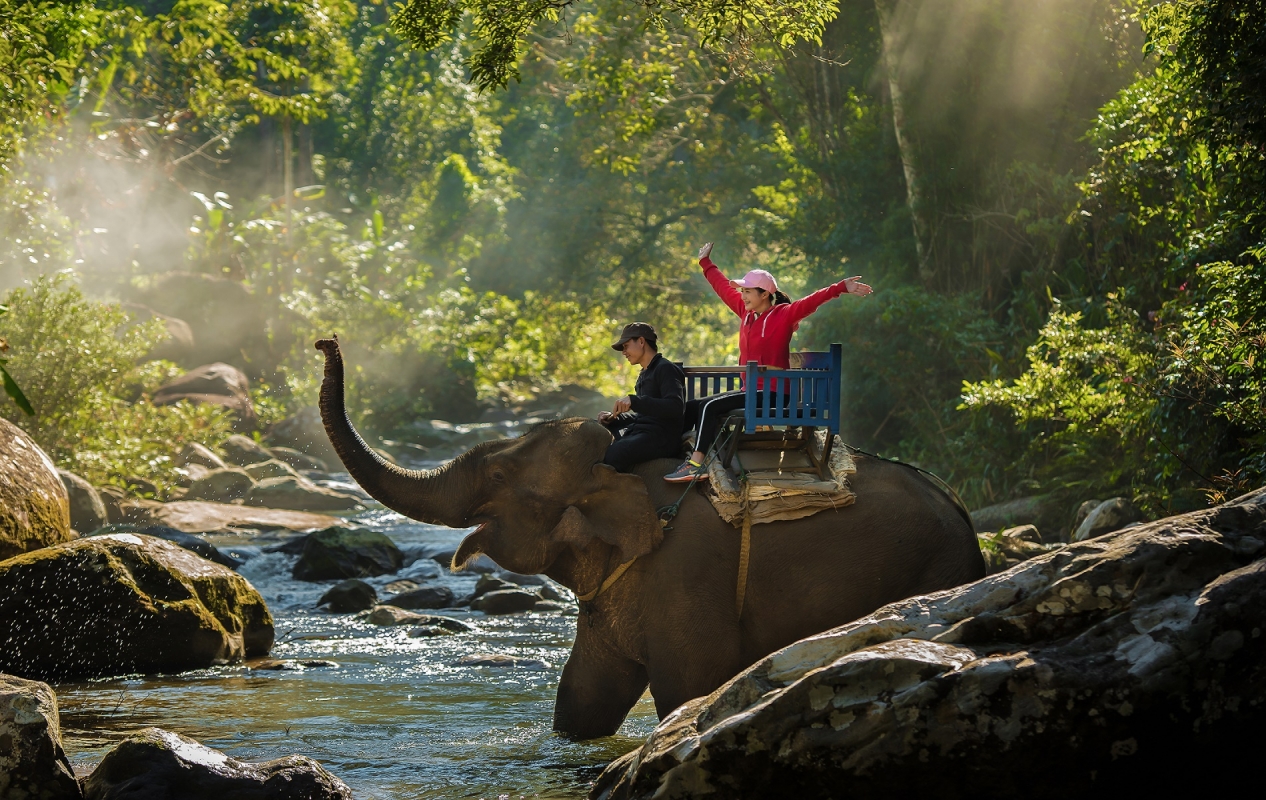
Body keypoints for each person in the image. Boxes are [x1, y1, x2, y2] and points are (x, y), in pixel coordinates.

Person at [664, 242, 873, 483]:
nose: (743, 296)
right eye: (742, 292)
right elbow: (722, 287)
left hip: (774, 394)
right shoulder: (746, 313)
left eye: (748, 291)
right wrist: (705, 263)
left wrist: (841, 287)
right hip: (750, 392)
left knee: (710, 408)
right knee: (692, 406)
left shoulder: (784, 315)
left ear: (765, 294)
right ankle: (672, 452)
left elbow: (812, 301)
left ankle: (695, 465)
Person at [600, 322, 687, 472]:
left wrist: (635, 401)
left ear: (641, 341)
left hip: (661, 437)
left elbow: (676, 406)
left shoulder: (665, 368)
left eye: (626, 346)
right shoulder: (644, 373)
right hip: (644, 432)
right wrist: (615, 418)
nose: (624, 352)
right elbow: (645, 416)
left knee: (616, 453)